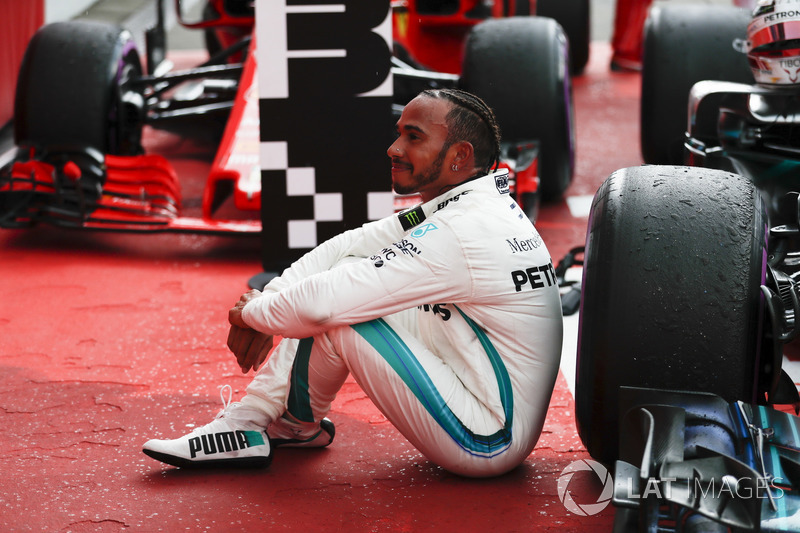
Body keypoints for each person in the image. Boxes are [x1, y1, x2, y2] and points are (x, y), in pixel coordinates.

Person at [142, 88, 563, 477]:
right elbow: (350, 245)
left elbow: (326, 305)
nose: (393, 149)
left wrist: (253, 315)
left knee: (341, 310)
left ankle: (269, 421)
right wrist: (268, 299)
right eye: (399, 134)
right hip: (471, 378)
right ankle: (271, 423)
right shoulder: (470, 205)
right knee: (341, 286)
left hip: (488, 437)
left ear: (459, 157)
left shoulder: (464, 229)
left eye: (413, 137)